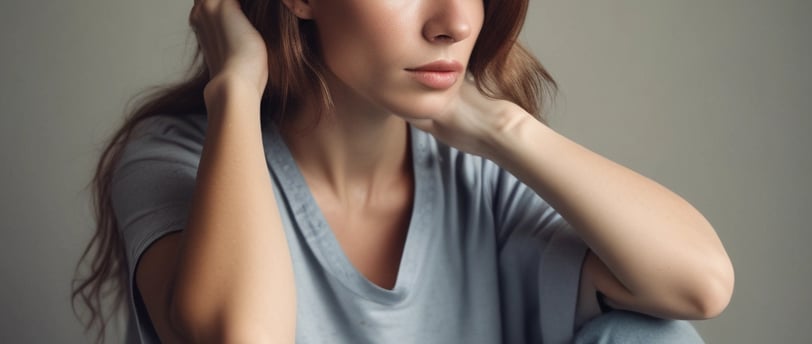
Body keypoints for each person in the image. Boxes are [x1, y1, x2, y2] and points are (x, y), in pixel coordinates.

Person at [72, 0, 735, 343]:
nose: (452, 23)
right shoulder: (175, 160)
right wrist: (236, 90)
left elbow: (699, 284)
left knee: (646, 333)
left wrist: (504, 127)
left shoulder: (479, 180)